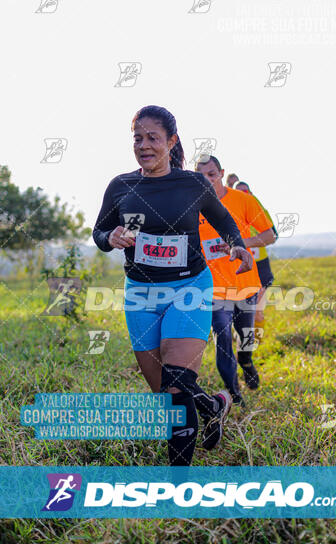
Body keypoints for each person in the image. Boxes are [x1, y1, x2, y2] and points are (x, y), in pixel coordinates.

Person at [92, 105, 253, 466]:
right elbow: (99, 231)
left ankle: (177, 486)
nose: (144, 145)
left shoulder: (192, 183)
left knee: (177, 388)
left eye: (153, 138)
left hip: (189, 289)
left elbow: (223, 219)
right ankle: (215, 405)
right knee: (165, 396)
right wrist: (111, 235)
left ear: (171, 141)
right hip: (140, 294)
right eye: (138, 138)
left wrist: (237, 244)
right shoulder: (120, 186)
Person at [196, 157, 276, 406]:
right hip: (213, 288)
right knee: (223, 339)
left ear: (221, 173)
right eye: (202, 176)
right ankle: (235, 394)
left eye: (212, 174)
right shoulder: (191, 205)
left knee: (246, 337)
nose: (208, 180)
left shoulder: (242, 200)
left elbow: (269, 235)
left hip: (245, 282)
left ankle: (247, 362)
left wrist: (239, 243)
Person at [235, 181, 278, 327]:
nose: (243, 194)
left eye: (246, 191)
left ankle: (257, 338)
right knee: (242, 306)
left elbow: (273, 234)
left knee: (258, 307)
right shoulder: (229, 208)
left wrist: (250, 241)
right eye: (239, 192)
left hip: (260, 260)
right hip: (239, 261)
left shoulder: (257, 208)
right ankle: (244, 335)